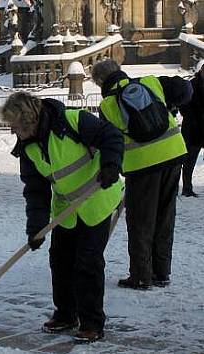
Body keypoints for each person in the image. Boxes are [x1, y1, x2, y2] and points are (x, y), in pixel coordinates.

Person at [2, 91, 124, 343]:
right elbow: (35, 191)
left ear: (29, 120)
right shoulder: (28, 148)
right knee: (60, 261)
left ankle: (92, 322)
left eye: (15, 127)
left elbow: (111, 136)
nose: (13, 132)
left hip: (97, 198)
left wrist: (111, 164)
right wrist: (35, 228)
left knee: (87, 262)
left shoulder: (72, 120)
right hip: (66, 208)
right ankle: (66, 314)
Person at [91, 59, 191, 290]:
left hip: (142, 166)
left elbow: (111, 141)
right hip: (173, 154)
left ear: (100, 82)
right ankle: (162, 273)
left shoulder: (108, 106)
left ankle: (141, 276)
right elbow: (186, 89)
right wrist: (172, 106)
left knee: (141, 222)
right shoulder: (150, 82)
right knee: (165, 216)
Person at [178, 59, 204, 197]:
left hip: (198, 127)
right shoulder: (192, 85)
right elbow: (184, 105)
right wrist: (193, 119)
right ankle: (187, 188)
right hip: (193, 129)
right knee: (189, 161)